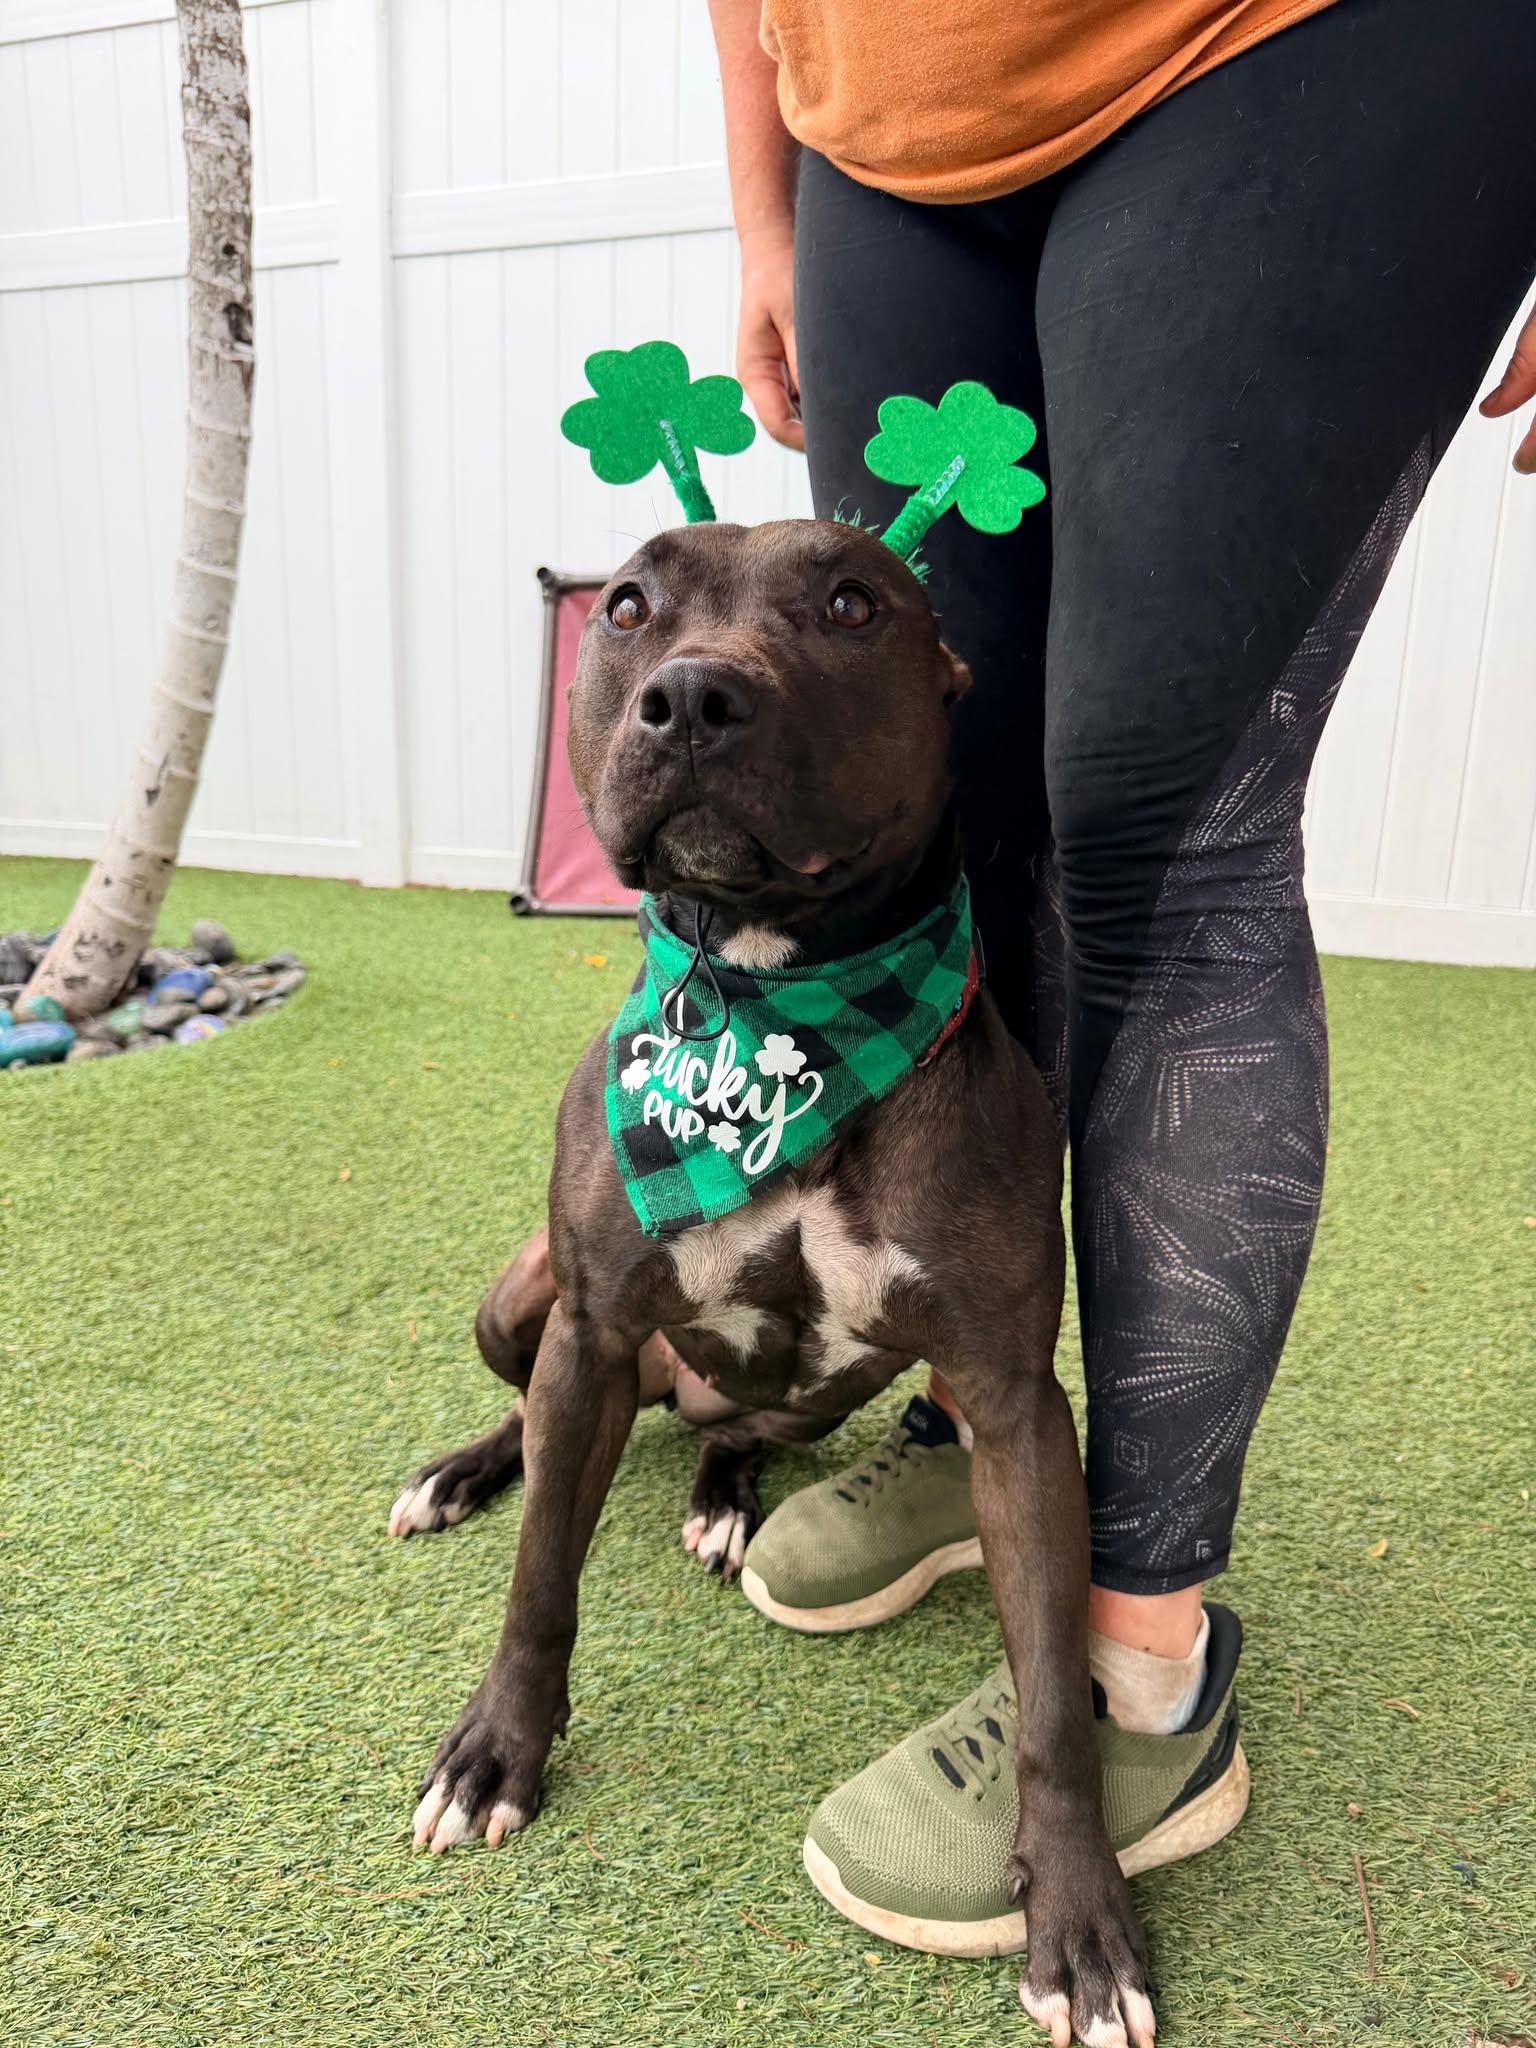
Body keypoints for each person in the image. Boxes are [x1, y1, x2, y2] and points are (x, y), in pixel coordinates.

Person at [705, 0, 1536, 2037]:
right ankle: (983, 1411)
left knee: (1167, 818)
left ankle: (1141, 1659)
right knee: (952, 820)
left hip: (1300, 54)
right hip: (889, 117)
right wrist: (763, 193)